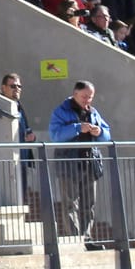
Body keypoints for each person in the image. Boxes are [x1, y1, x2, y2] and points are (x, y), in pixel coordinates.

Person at [48, 81, 110, 239]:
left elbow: (107, 135)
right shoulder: (61, 111)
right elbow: (56, 136)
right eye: (84, 96)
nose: (87, 100)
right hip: (69, 163)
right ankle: (75, 238)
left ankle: (87, 237)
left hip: (90, 162)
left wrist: (100, 132)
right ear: (75, 94)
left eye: (90, 97)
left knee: (89, 204)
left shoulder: (93, 112)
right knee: (70, 203)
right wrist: (77, 128)